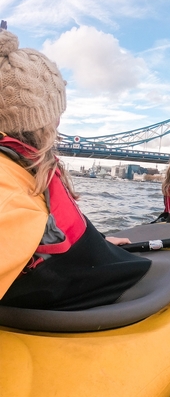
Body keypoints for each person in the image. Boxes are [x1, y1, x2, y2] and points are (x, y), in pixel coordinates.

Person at [0, 28, 151, 311]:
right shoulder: (7, 189)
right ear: (44, 120)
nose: (59, 121)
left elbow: (46, 235)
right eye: (57, 112)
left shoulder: (25, 165)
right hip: (67, 298)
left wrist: (98, 244)